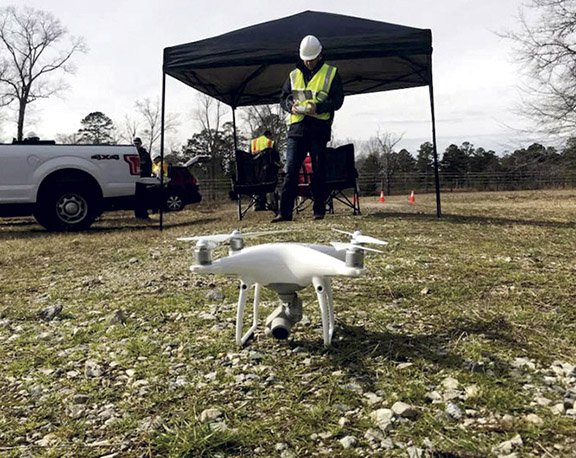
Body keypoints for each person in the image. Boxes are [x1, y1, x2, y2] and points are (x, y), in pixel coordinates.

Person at [272, 35, 344, 222]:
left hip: (318, 128)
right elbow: (283, 98)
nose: (309, 62)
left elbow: (337, 101)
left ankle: (319, 210)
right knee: (291, 170)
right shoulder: (293, 75)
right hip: (297, 129)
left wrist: (318, 107)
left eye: (312, 59)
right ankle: (284, 213)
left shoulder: (331, 73)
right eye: (306, 59)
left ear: (319, 55)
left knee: (319, 170)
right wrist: (290, 106)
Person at [250, 130, 278, 211]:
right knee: (271, 182)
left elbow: (249, 158)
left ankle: (256, 204)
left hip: (255, 176)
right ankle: (271, 203)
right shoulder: (270, 143)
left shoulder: (253, 143)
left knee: (257, 183)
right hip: (268, 176)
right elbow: (276, 159)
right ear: (269, 135)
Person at [133, 137, 152, 220]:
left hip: (143, 178)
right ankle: (137, 215)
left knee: (143, 197)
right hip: (134, 179)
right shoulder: (132, 153)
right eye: (135, 143)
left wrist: (146, 175)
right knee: (136, 198)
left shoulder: (145, 154)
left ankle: (144, 215)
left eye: (137, 143)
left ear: (140, 143)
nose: (136, 144)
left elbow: (149, 166)